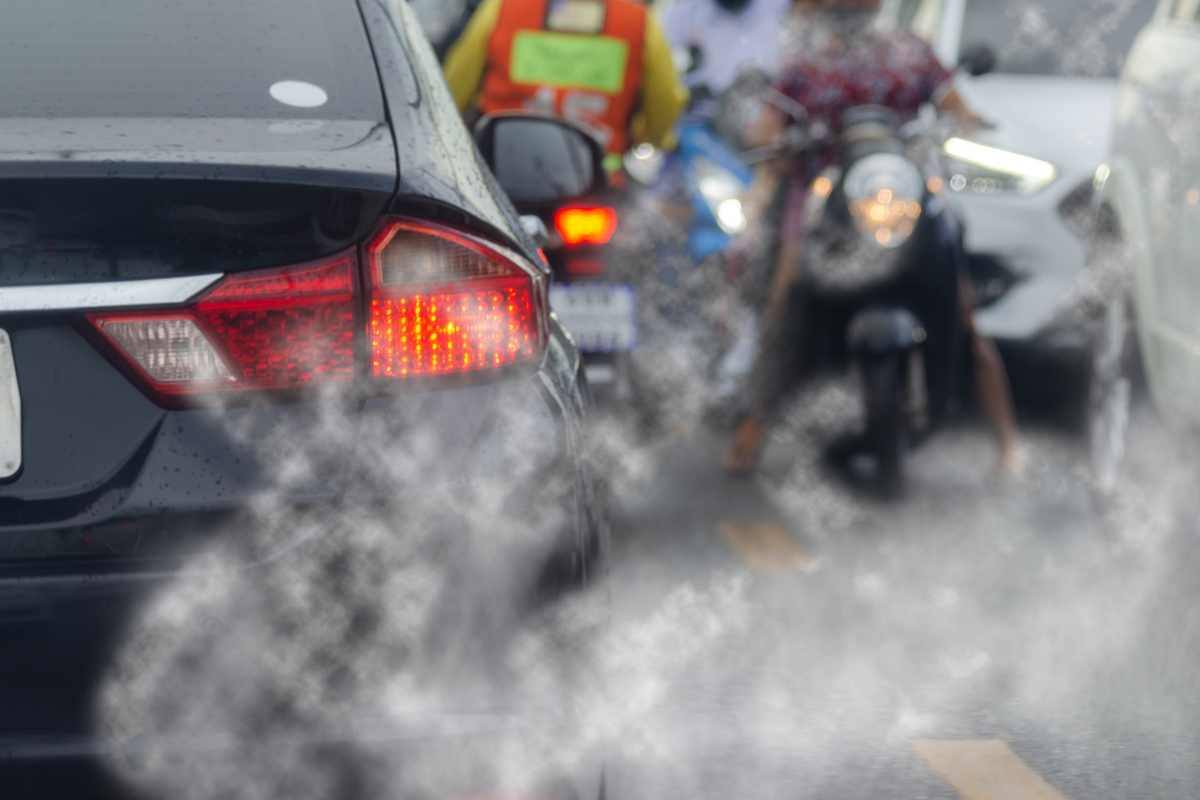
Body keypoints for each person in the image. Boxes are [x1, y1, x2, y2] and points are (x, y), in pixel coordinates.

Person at [724, 0, 1024, 475]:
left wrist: (972, 127)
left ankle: (1008, 444)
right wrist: (776, 148)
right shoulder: (805, 69)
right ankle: (752, 430)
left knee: (963, 310)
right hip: (827, 209)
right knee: (784, 304)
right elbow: (766, 131)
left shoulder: (912, 57)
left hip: (905, 200)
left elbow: (957, 109)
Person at [442, 0, 689, 168]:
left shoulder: (505, 6)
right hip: (594, 174)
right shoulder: (639, 22)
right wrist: (652, 138)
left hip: (500, 162)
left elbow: (455, 83)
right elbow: (666, 99)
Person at [661, 0, 793, 99]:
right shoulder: (688, 9)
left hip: (755, 108)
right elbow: (660, 53)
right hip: (697, 113)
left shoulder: (774, 6)